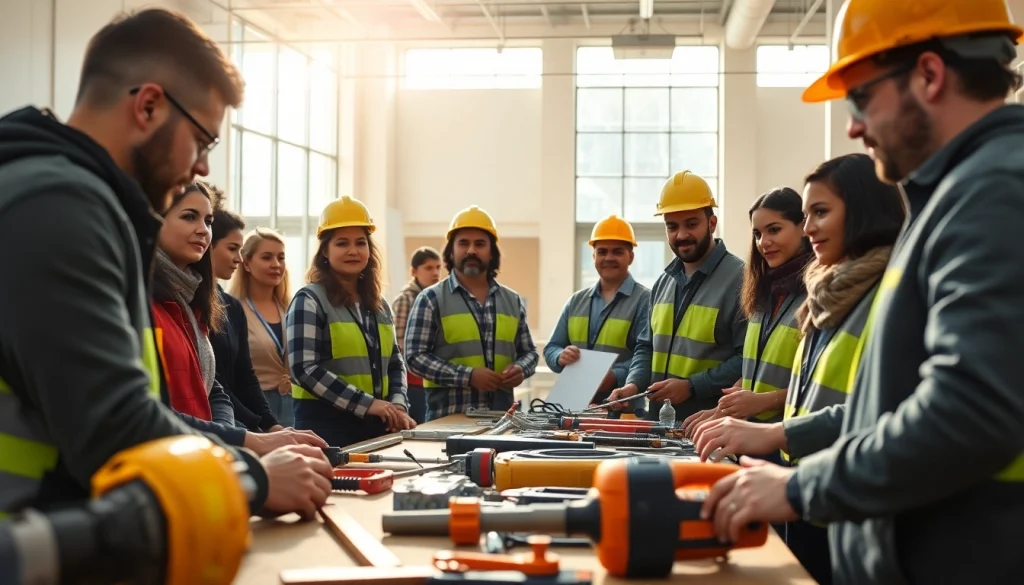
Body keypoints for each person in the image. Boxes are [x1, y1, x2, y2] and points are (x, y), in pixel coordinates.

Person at [701, 2, 1024, 583]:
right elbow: (894, 408)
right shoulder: (956, 197)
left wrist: (802, 486)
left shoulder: (997, 191)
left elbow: (969, 414)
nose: (852, 126)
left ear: (929, 75)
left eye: (860, 99)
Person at [0, 8, 331, 519]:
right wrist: (252, 477)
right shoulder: (58, 206)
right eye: (202, 140)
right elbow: (115, 428)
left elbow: (140, 410)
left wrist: (250, 442)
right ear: (149, 105)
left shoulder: (75, 201)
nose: (202, 166)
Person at [699, 154, 903, 583]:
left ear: (865, 210)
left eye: (821, 212)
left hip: (849, 489)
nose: (809, 227)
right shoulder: (829, 294)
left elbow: (882, 413)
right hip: (807, 479)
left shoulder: (891, 296)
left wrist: (774, 430)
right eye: (757, 233)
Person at [607, 171, 746, 423]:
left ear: (712, 223)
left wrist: (692, 386)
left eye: (691, 224)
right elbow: (646, 346)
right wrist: (633, 384)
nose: (681, 235)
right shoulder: (663, 282)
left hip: (710, 426)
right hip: (658, 425)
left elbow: (747, 358)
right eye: (672, 226)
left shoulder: (741, 279)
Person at [682, 188, 812, 440]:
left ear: (802, 227)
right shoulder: (763, 293)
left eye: (774, 230)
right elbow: (759, 368)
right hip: (751, 437)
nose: (764, 242)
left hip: (790, 440)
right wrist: (724, 408)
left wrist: (763, 402)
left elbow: (823, 386)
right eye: (757, 234)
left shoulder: (817, 296)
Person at [287, 196, 416, 447]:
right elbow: (304, 369)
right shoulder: (309, 300)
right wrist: (368, 404)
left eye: (360, 243)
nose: (353, 251)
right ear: (325, 250)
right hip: (325, 433)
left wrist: (397, 406)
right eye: (342, 243)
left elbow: (394, 362)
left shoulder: (379, 305)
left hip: (376, 429)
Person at [404, 205, 539, 421]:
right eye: (463, 243)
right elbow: (414, 357)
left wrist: (521, 369)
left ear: (492, 251)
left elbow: (530, 353)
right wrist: (467, 376)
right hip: (447, 422)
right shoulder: (431, 299)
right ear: (451, 250)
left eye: (480, 244)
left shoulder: (511, 301)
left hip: (501, 422)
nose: (471, 251)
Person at [151, 181, 236, 426]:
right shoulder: (142, 300)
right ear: (155, 219)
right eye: (189, 217)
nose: (203, 230)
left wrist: (225, 432)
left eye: (208, 222)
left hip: (197, 451)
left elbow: (211, 386)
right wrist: (241, 438)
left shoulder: (191, 302)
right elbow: (153, 412)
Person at [543, 215, 651, 405]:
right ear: (593, 257)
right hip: (572, 405)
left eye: (617, 252)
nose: (608, 258)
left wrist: (614, 376)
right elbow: (551, 348)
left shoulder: (645, 301)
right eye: (602, 251)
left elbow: (647, 357)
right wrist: (560, 356)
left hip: (622, 407)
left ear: (631, 257)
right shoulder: (576, 301)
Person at [209, 204, 286, 432]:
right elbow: (217, 383)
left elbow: (245, 375)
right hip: (222, 423)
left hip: (249, 418)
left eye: (281, 257)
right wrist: (256, 427)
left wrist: (271, 425)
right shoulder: (194, 303)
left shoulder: (232, 307)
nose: (238, 259)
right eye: (232, 249)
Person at [229, 227, 295, 428]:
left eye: (281, 258)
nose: (276, 264)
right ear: (246, 263)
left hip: (294, 407)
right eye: (267, 257)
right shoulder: (232, 310)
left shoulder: (291, 308)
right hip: (254, 409)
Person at [391, 246, 442, 424]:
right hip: (413, 381)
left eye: (438, 267)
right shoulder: (407, 298)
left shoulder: (437, 298)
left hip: (433, 379)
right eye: (428, 268)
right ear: (414, 271)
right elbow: (398, 342)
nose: (435, 273)